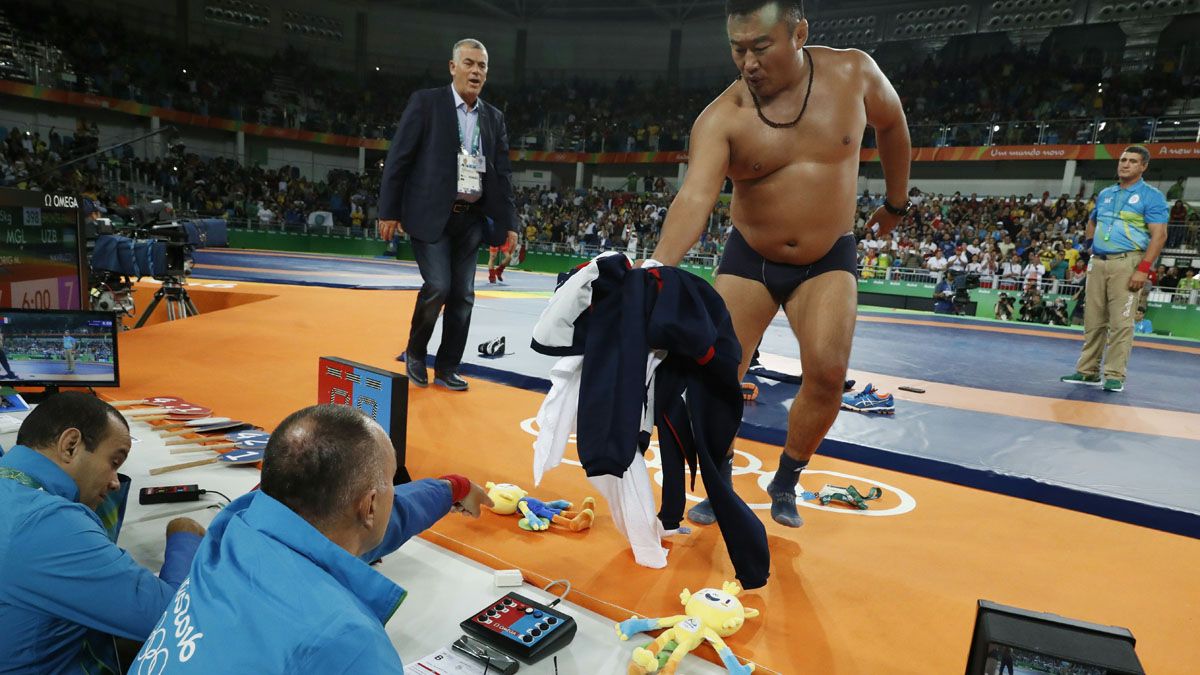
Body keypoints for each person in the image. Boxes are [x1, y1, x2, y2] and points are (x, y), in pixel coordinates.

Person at [647, 0, 910, 528]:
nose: (747, 63)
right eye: (737, 49)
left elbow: (893, 125)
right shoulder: (721, 118)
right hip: (751, 259)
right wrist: (654, 271)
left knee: (829, 375)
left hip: (828, 257)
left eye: (760, 47)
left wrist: (897, 203)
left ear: (799, 34)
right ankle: (718, 480)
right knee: (715, 375)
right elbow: (695, 198)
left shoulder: (853, 72)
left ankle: (786, 479)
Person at [130, 405, 492, 672]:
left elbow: (388, 517)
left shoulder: (235, 524)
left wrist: (451, 488)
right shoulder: (346, 640)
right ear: (369, 506)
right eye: (390, 483)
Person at [0, 392, 205, 674]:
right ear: (70, 446)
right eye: (114, 462)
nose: (114, 483)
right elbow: (176, 621)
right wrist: (185, 537)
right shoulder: (46, 524)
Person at [377, 38, 518, 392]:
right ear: (452, 67)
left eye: (482, 66)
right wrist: (389, 210)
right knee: (439, 285)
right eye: (469, 63)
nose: (476, 71)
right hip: (430, 215)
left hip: (471, 218)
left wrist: (511, 224)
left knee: (463, 296)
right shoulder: (426, 103)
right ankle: (415, 351)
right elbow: (399, 158)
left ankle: (448, 367)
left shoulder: (493, 118)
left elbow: (502, 176)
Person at [1061, 146, 1168, 393]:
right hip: (1098, 262)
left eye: (1132, 161)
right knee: (1093, 319)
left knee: (1121, 322)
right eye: (1122, 160)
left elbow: (1159, 235)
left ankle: (1114, 374)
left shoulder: (1151, 197)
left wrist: (1143, 269)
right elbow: (1092, 221)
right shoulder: (1106, 193)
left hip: (1126, 262)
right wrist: (1090, 246)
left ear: (1143, 167)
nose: (1125, 164)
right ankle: (1087, 372)